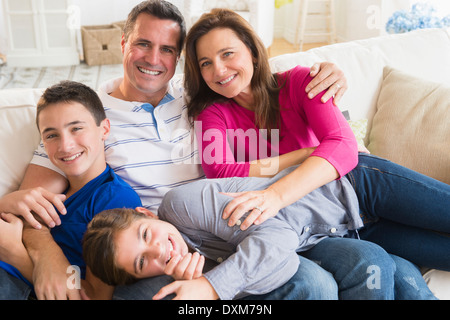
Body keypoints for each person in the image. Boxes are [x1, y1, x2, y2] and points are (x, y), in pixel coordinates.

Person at [0, 1, 351, 300]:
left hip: (227, 224)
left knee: (311, 284)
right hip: (153, 247)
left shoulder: (201, 97)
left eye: (167, 49)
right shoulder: (85, 117)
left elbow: (249, 73)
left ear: (180, 57)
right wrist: (46, 257)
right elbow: (31, 205)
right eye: (142, 44)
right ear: (122, 43)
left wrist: (326, 72)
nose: (154, 58)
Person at [184, 8, 450, 279]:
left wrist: (276, 193)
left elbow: (345, 146)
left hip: (361, 183)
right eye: (206, 62)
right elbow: (220, 173)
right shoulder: (210, 113)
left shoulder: (300, 82)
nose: (218, 69)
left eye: (227, 54)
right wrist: (309, 153)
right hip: (334, 222)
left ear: (252, 51)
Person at [82, 168, 437, 300]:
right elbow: (283, 266)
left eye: (146, 234)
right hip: (331, 236)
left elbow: (276, 237)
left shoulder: (182, 205)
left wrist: (211, 287)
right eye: (143, 262)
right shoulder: (180, 278)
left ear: (146, 212)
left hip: (352, 187)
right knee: (383, 267)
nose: (159, 251)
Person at [0, 80, 142, 299]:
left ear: (104, 129)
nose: (65, 145)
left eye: (76, 128)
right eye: (51, 135)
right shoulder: (49, 193)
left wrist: (17, 256)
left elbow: (94, 295)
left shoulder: (114, 198)